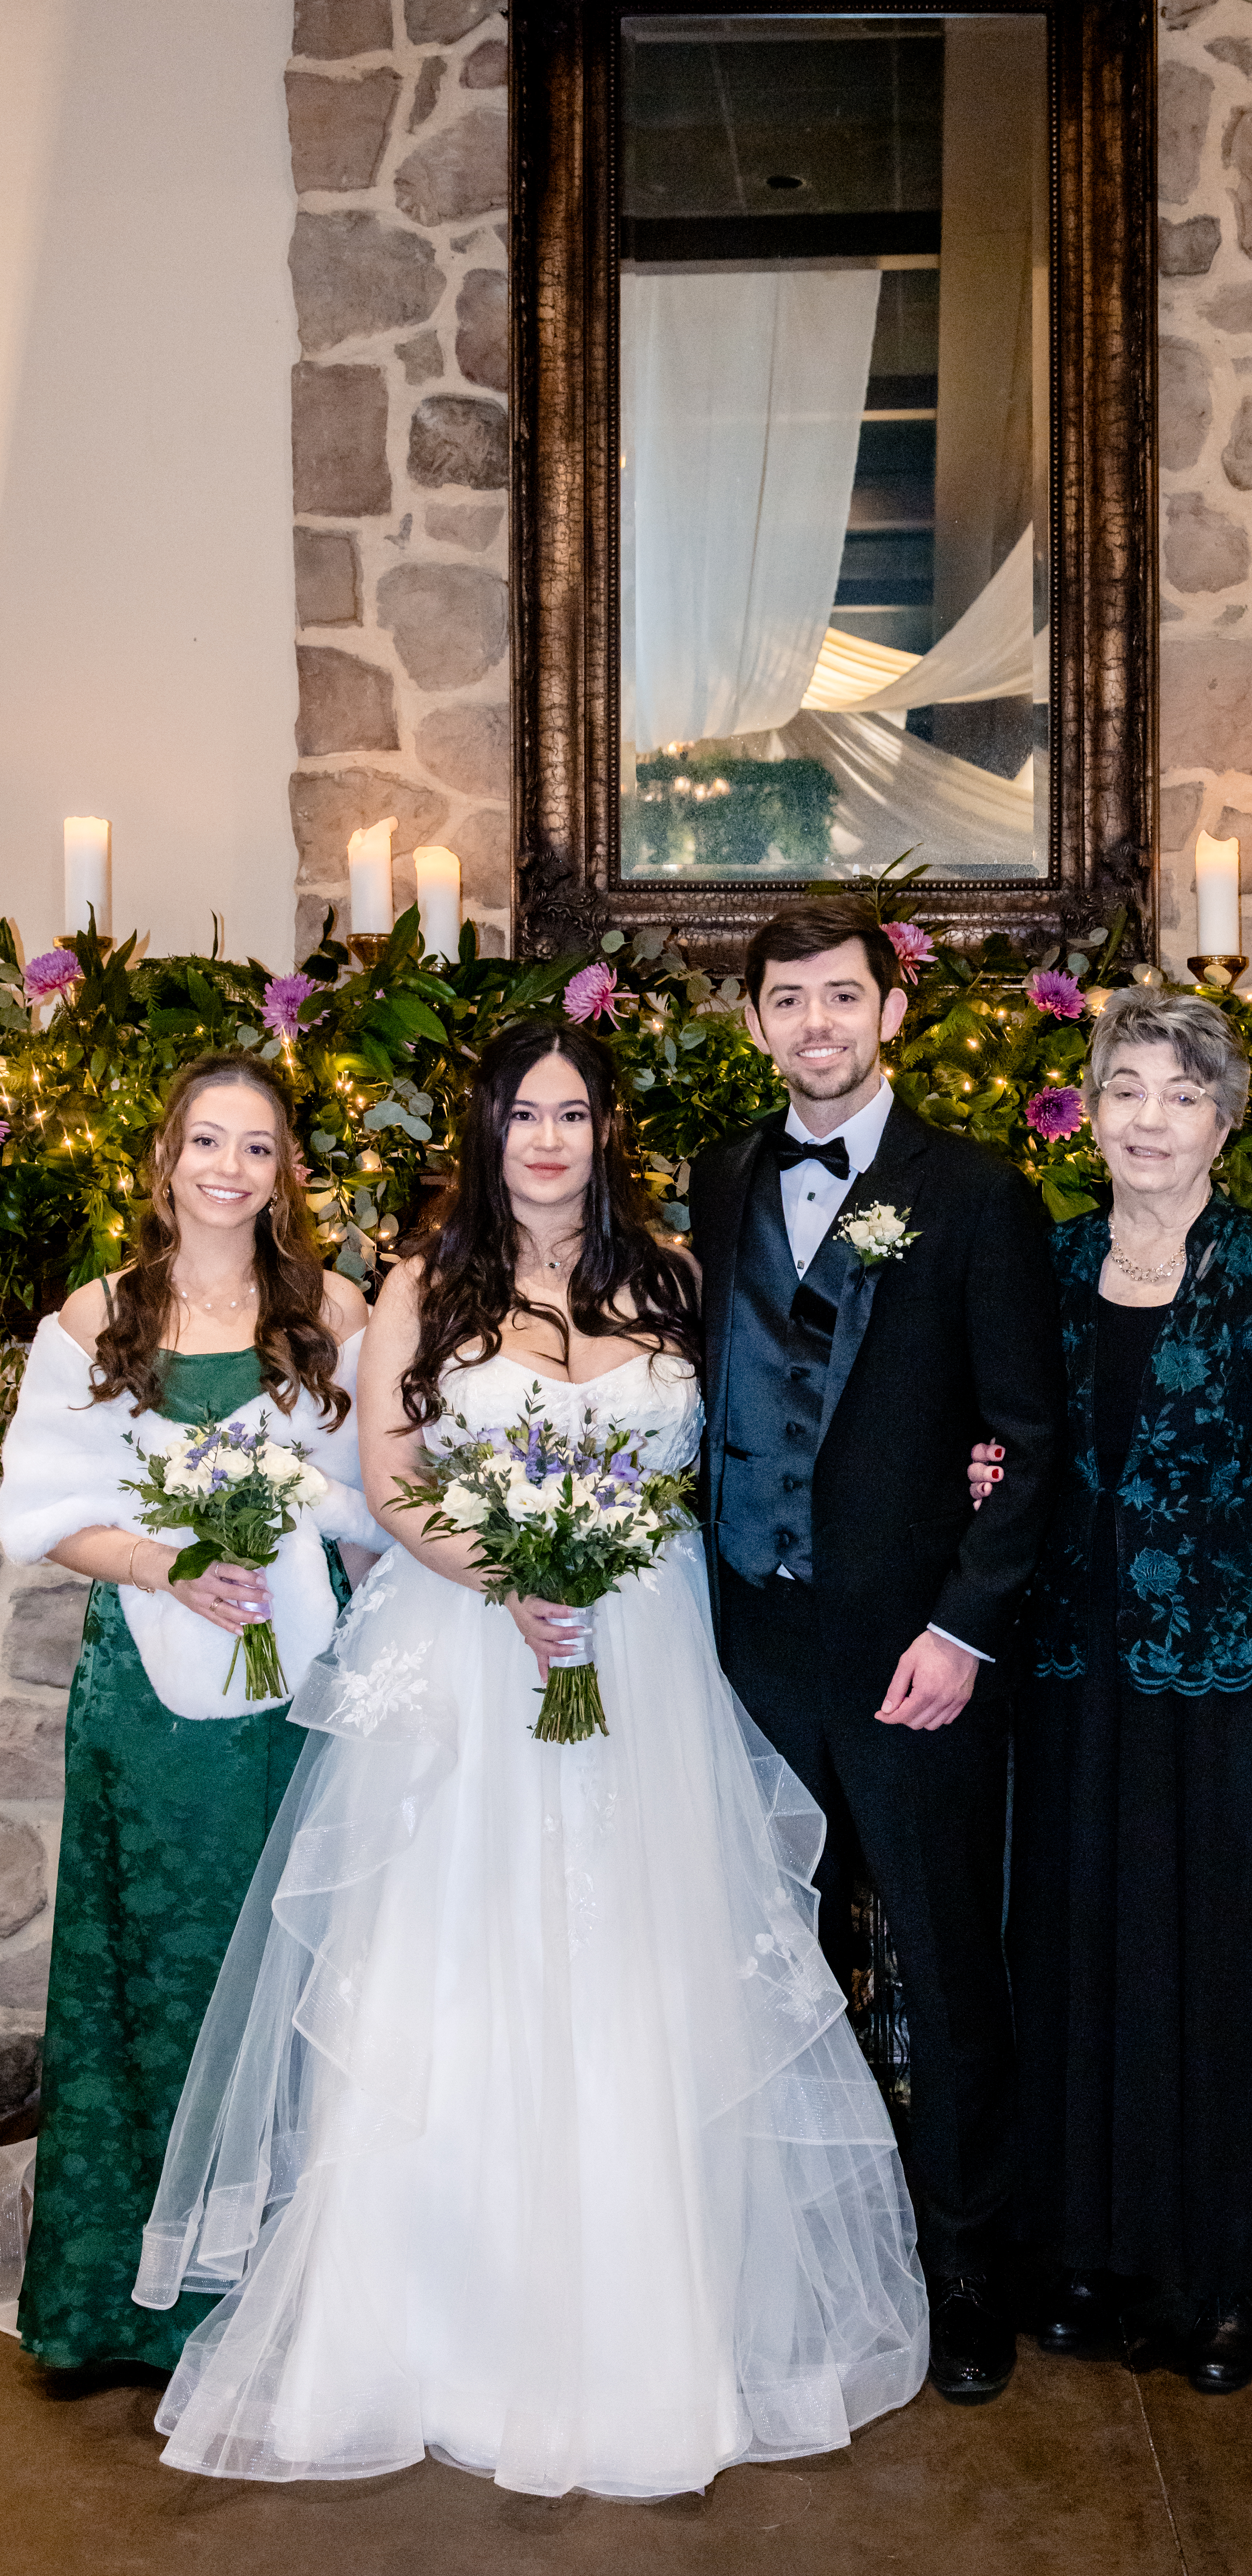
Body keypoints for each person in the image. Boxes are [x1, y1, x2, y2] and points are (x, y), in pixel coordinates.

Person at [135, 1018, 928, 2496]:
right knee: (461, 1953)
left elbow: (775, 1439)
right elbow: (387, 1475)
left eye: (570, 1112)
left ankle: (642, 2328)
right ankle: (437, 2325)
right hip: (471, 1652)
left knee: (641, 1958)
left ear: (602, 1127)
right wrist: (512, 1577)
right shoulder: (423, 1283)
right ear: (487, 1132)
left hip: (647, 1652)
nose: (548, 1139)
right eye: (521, 1114)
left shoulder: (678, 1275)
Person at [690, 900, 1064, 2404]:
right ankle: (786, 2254)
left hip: (914, 1652)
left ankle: (971, 2266)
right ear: (757, 1022)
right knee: (770, 1963)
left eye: (842, 996)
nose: (816, 1025)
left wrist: (962, 1627)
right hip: (751, 1640)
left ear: (891, 1012)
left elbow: (1031, 1443)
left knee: (941, 1956)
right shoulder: (719, 1175)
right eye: (788, 1001)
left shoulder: (973, 1190)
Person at [1004, 987, 1252, 2395]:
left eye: (1179, 1094)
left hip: (1221, 1678)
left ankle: (1219, 2278)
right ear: (1093, 1114)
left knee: (1215, 1961)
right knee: (1083, 1952)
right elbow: (1013, 1445)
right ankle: (1088, 2253)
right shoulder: (1056, 1257)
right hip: (1073, 1670)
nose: (1149, 1119)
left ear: (1224, 1117)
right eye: (1125, 1090)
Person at [0, 1051, 376, 2373]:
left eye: (258, 1146)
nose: (229, 1168)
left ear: (286, 1172)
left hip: (296, 1692)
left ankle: (289, 2303)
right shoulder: (94, 1315)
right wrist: (169, 1560)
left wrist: (293, 1516)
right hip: (146, 1703)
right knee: (151, 1965)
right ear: (165, 1159)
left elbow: (380, 1493)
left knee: (290, 1964)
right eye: (207, 1141)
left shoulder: (332, 1305)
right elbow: (37, 1508)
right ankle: (134, 2305)